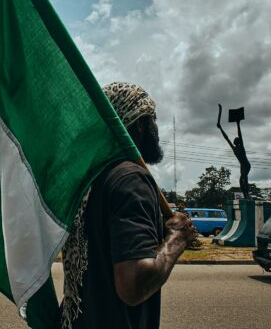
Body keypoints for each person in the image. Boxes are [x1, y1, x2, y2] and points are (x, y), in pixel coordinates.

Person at [57, 82, 196, 329]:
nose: (157, 127)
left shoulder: (90, 179)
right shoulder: (130, 179)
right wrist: (176, 240)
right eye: (153, 117)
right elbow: (132, 285)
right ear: (140, 124)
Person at [216, 104, 251, 199]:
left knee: (242, 179)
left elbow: (240, 134)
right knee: (243, 180)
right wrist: (221, 128)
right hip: (242, 166)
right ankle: (246, 195)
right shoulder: (234, 148)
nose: (234, 140)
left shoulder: (241, 147)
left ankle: (246, 195)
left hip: (246, 165)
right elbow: (226, 138)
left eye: (236, 139)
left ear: (238, 141)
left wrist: (238, 124)